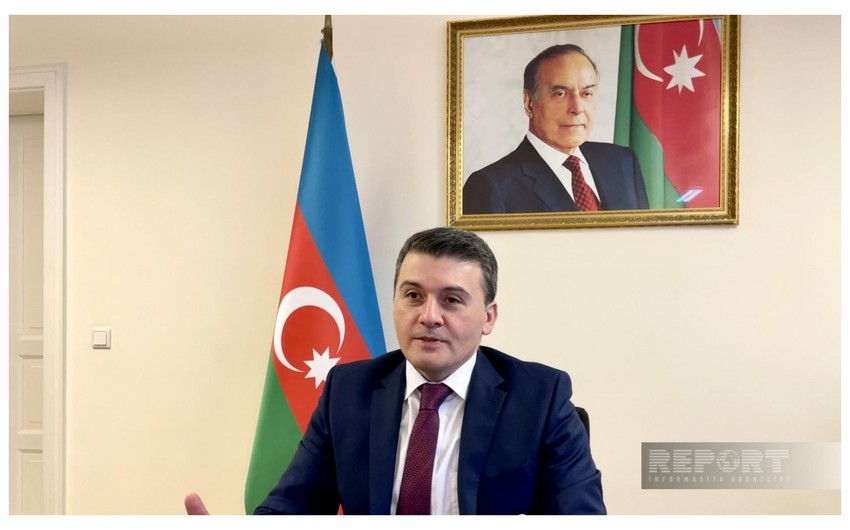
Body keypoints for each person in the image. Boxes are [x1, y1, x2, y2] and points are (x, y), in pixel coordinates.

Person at [185, 227, 605, 515]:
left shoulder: (540, 397)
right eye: (413, 295)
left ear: (488, 317)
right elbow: (294, 506)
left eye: (452, 300)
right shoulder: (348, 391)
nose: (429, 316)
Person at [463, 44, 649, 214]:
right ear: (529, 103)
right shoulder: (491, 187)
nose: (577, 108)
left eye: (586, 93)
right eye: (560, 94)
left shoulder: (623, 163)